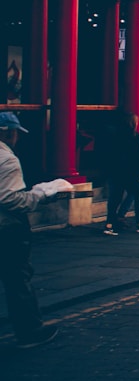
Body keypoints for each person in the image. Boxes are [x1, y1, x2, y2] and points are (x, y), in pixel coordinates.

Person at [0, 111, 72, 348]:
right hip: (7, 228)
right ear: (9, 133)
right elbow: (10, 199)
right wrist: (38, 197)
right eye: (15, 133)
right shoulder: (7, 160)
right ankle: (30, 331)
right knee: (17, 279)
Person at [103, 112, 139, 236]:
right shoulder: (135, 136)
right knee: (137, 198)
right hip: (131, 173)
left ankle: (109, 225)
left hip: (117, 172)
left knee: (115, 199)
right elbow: (138, 156)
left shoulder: (114, 135)